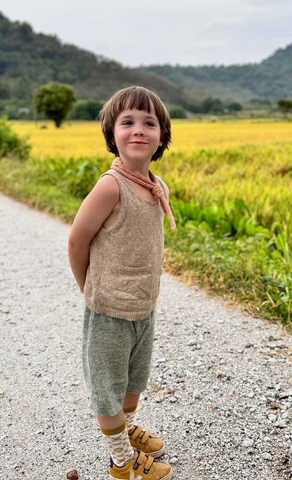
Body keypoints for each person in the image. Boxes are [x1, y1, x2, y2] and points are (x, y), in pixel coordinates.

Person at [68, 86, 175, 480]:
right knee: (108, 389)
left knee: (134, 382)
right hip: (109, 312)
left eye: (149, 123)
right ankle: (121, 461)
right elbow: (77, 241)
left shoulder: (154, 185)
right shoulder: (110, 186)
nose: (138, 131)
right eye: (127, 122)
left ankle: (126, 429)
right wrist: (91, 290)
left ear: (162, 136)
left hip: (143, 308)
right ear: (112, 135)